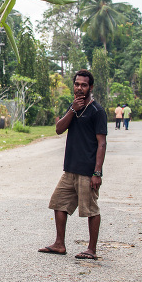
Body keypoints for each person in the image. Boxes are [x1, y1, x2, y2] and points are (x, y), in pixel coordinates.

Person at [39, 69, 107, 260]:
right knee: (58, 203)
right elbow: (59, 129)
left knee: (90, 209)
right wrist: (72, 110)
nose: (79, 88)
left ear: (90, 87)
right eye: (77, 84)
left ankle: (91, 249)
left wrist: (97, 172)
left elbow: (101, 143)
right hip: (70, 168)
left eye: (84, 85)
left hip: (88, 170)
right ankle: (59, 244)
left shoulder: (97, 111)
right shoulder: (73, 107)